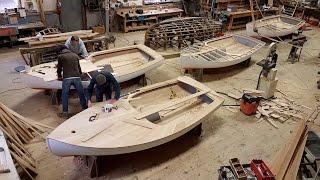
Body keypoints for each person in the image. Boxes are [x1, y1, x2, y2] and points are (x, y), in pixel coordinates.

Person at [57, 46, 87, 118]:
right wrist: (80, 75)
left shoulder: (61, 56)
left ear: (61, 50)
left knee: (65, 95)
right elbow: (79, 68)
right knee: (81, 93)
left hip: (67, 78)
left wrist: (59, 76)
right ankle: (84, 109)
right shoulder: (75, 55)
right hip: (77, 77)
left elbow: (59, 68)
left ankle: (65, 114)